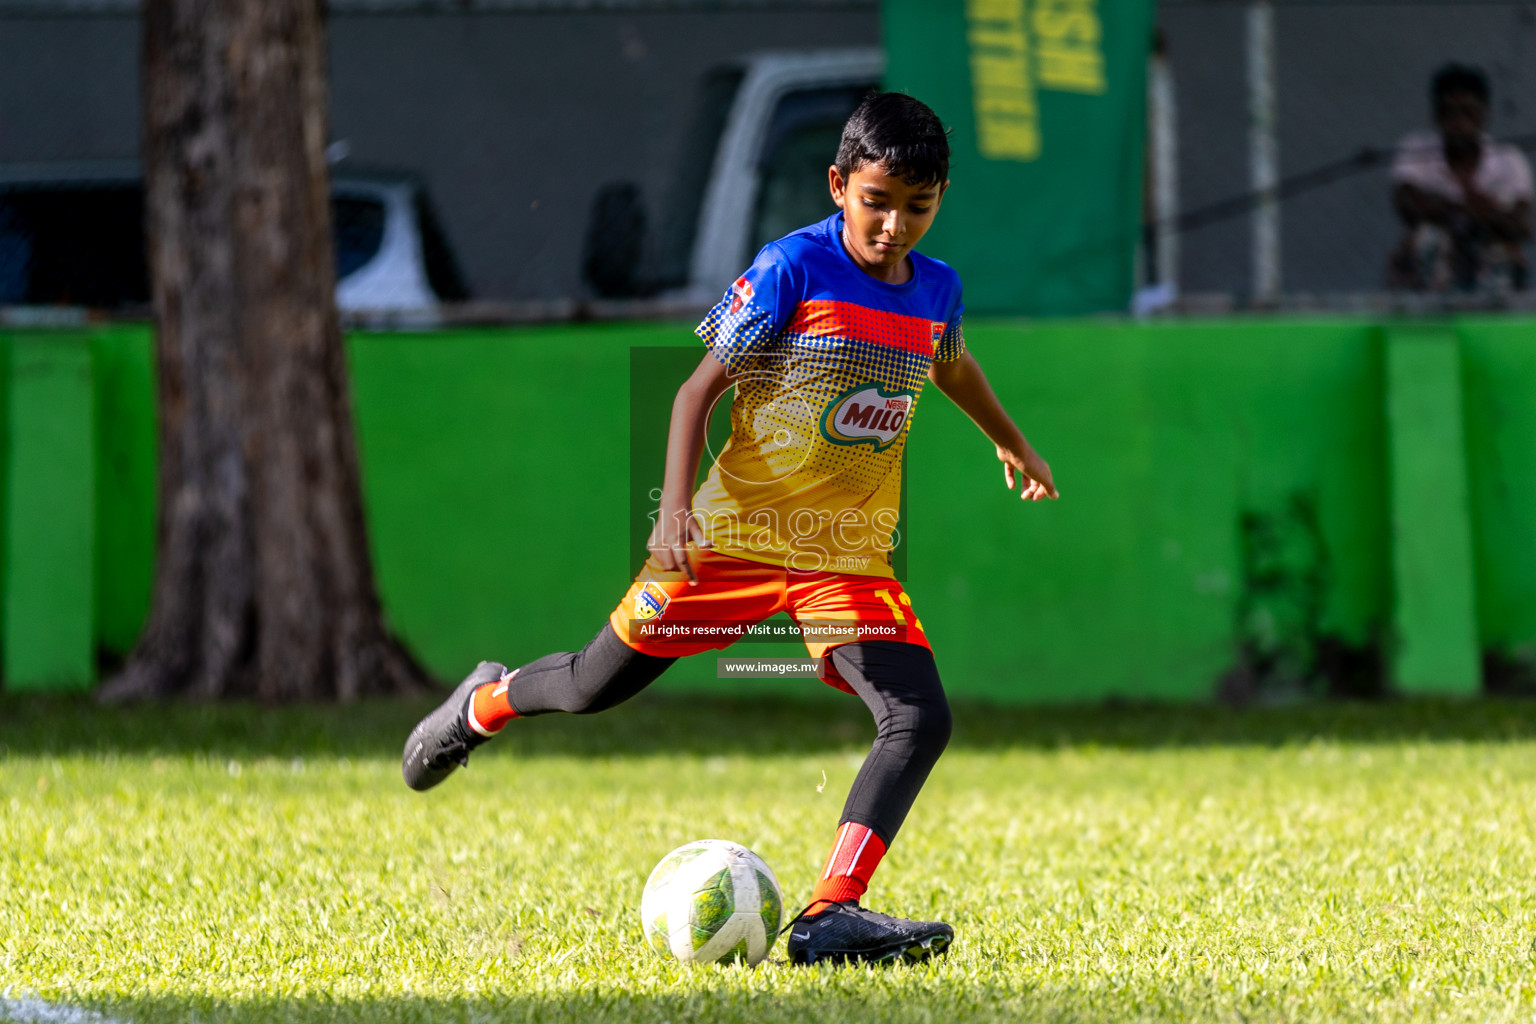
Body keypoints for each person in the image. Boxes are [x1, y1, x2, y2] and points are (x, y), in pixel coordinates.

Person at [400, 92, 1058, 966]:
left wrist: (1012, 442)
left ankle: (832, 912)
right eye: (877, 201)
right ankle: (483, 702)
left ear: (940, 200)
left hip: (842, 554)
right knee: (596, 686)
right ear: (837, 185)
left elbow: (950, 361)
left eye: (919, 206)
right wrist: (674, 511)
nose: (895, 225)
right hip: (731, 541)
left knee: (917, 715)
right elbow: (693, 392)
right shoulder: (792, 268)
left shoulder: (938, 289)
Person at [1390, 63, 1534, 293]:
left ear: (1484, 115)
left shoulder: (1509, 159)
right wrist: (1466, 209)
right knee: (1428, 238)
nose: (1458, 122)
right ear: (1436, 115)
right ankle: (1428, 316)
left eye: (1468, 112)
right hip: (1439, 253)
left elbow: (1522, 226)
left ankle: (1495, 317)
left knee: (1501, 250)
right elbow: (1405, 204)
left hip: (1486, 247)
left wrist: (1483, 216)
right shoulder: (1417, 149)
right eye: (1449, 112)